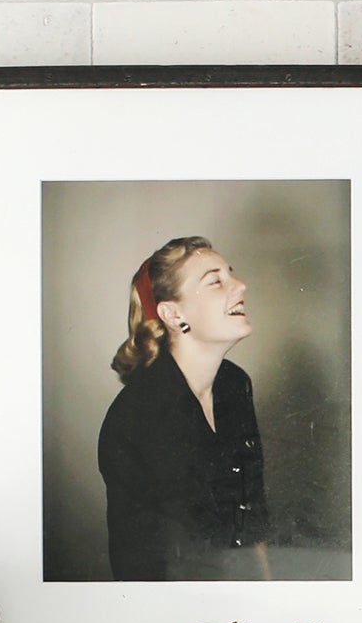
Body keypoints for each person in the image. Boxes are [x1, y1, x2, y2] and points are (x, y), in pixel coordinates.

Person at [96, 236, 271, 580]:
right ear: (173, 315)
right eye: (216, 281)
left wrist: (270, 594)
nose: (240, 285)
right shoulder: (134, 420)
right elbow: (143, 570)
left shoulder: (235, 385)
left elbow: (253, 523)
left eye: (230, 274)